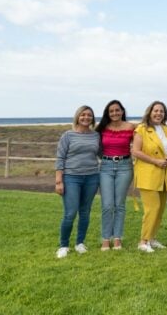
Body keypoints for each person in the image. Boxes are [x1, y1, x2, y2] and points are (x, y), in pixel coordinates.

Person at [54, 105, 100, 258]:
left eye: (89, 115)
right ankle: (64, 245)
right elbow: (60, 158)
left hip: (92, 177)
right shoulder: (68, 135)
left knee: (85, 212)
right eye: (83, 115)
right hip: (71, 178)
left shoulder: (96, 136)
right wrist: (59, 181)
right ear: (77, 117)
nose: (86, 117)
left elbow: (102, 154)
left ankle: (80, 243)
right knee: (71, 213)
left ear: (92, 118)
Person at [132, 101, 167, 253]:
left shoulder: (166, 129)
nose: (158, 114)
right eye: (156, 111)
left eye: (161, 111)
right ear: (149, 112)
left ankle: (152, 238)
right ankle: (143, 241)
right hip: (148, 174)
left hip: (164, 174)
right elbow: (136, 151)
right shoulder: (141, 129)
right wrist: (155, 161)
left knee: (160, 209)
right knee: (152, 208)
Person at [97, 100, 135, 251]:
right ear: (108, 113)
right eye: (111, 111)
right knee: (107, 205)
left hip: (125, 167)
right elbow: (95, 147)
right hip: (106, 167)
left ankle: (117, 238)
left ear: (122, 111)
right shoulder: (102, 128)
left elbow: (142, 143)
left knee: (119, 204)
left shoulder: (131, 127)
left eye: (117, 110)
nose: (114, 113)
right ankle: (106, 238)